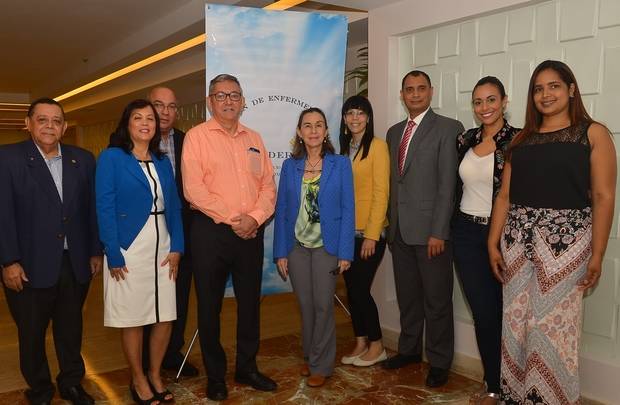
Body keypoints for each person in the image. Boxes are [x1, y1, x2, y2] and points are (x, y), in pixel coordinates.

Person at [488, 60, 616, 404]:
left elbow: (604, 197)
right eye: (539, 88)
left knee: (552, 328)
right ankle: (514, 395)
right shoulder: (521, 139)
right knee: (514, 323)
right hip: (515, 241)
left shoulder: (592, 133)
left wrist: (598, 254)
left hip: (567, 245)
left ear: (571, 89)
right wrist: (492, 242)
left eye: (554, 86)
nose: (546, 94)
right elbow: (504, 196)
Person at [181, 73, 277, 401]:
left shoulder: (255, 138)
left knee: (250, 305)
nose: (228, 101)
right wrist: (235, 219)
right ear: (210, 101)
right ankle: (216, 375)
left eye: (234, 95)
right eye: (220, 96)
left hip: (251, 233)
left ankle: (247, 368)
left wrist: (255, 218)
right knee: (209, 308)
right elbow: (194, 190)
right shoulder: (196, 137)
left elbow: (267, 185)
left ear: (243, 101)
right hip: (211, 233)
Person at [0, 98, 102, 405]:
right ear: (28, 123)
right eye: (42, 120)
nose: (49, 126)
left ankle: (71, 383)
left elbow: (91, 210)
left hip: (74, 262)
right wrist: (8, 261)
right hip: (28, 265)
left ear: (65, 127)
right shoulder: (8, 158)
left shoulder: (82, 159)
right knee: (31, 334)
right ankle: (40, 388)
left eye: (56, 121)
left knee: (71, 329)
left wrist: (95, 251)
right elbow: (2, 213)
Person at [96, 99, 184, 405]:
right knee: (133, 318)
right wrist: (113, 252)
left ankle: (155, 374)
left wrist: (178, 247)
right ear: (127, 124)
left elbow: (174, 207)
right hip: (129, 247)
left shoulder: (162, 161)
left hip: (163, 247)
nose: (146, 122)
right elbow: (104, 208)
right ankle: (137, 378)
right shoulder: (111, 158)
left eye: (151, 118)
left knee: (164, 315)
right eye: (138, 117)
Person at [383, 70, 465, 388]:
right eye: (408, 90)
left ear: (431, 92)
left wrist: (439, 231)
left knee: (437, 300)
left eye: (420, 89)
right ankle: (409, 350)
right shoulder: (393, 133)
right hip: (400, 233)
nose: (414, 94)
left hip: (432, 234)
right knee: (409, 298)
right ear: (401, 95)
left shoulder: (448, 128)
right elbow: (395, 183)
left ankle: (440, 361)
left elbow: (448, 186)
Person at [274, 107, 355, 387]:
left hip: (327, 248)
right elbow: (282, 209)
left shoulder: (340, 164)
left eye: (319, 125)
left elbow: (348, 209)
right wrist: (280, 251)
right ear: (299, 132)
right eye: (307, 126)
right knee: (306, 306)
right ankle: (311, 357)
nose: (313, 130)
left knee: (323, 306)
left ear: (326, 131)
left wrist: (346, 252)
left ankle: (322, 365)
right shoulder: (289, 166)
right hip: (296, 247)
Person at [452, 77, 519, 404]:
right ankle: (493, 384)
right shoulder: (465, 139)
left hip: (503, 236)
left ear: (504, 101)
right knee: (483, 313)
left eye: (491, 100)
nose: (485, 107)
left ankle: (512, 383)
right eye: (478, 102)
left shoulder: (520, 140)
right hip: (465, 234)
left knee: (508, 313)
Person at [141, 86, 199, 377]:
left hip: (183, 234)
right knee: (146, 299)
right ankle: (143, 361)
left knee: (178, 297)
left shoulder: (189, 141)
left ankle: (172, 352)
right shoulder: (135, 143)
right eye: (158, 105)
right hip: (145, 237)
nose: (165, 112)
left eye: (171, 106)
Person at [337, 96, 390, 367]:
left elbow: (382, 193)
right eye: (350, 113)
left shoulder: (378, 147)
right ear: (344, 119)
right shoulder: (344, 148)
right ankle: (360, 341)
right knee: (350, 289)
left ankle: (378, 345)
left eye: (360, 113)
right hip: (347, 233)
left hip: (369, 234)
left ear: (368, 118)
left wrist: (371, 234)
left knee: (360, 290)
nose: (355, 118)